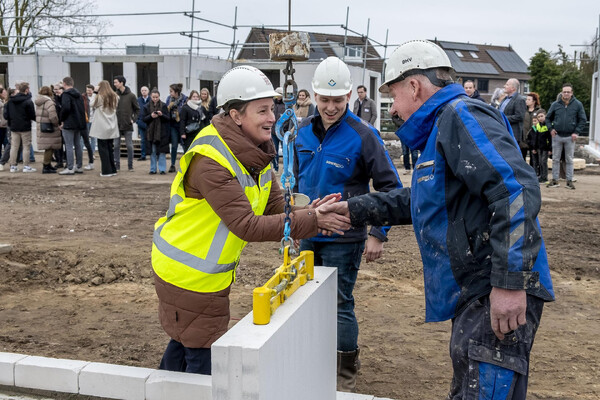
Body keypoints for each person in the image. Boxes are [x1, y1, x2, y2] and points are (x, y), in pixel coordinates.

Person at [324, 40, 555, 399]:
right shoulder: (440, 130)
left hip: (493, 282)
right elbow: (427, 200)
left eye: (394, 95)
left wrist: (510, 282)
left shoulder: (461, 117)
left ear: (414, 85)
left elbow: (515, 189)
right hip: (477, 287)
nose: (395, 109)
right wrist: (355, 210)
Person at [151, 65, 350, 375]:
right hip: (187, 274)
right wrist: (312, 220)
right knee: (203, 359)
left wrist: (309, 213)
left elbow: (273, 203)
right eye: (262, 110)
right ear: (236, 115)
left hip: (201, 273)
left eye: (272, 108)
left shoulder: (251, 151)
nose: (272, 117)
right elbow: (246, 225)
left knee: (184, 343)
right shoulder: (211, 160)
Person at [294, 56, 402, 392]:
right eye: (324, 100)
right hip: (309, 232)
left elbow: (391, 188)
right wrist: (295, 226)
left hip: (345, 237)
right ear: (313, 96)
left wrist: (378, 233)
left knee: (340, 302)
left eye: (337, 101)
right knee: (303, 299)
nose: (329, 107)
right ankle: (312, 360)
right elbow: (296, 183)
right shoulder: (301, 133)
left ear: (348, 98)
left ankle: (343, 373)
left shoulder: (364, 135)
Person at [545, 83, 587, 189]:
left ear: (572, 93)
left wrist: (576, 132)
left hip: (570, 137)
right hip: (557, 136)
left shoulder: (577, 105)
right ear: (562, 92)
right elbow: (548, 118)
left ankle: (569, 181)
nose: (566, 94)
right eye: (564, 92)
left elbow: (582, 119)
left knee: (569, 159)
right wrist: (550, 129)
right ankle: (555, 180)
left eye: (568, 92)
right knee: (555, 159)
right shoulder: (555, 104)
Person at [89, 81, 120, 177]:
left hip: (101, 127)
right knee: (110, 148)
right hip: (111, 126)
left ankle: (106, 171)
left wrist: (95, 92)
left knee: (103, 149)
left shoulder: (100, 97)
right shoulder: (115, 97)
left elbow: (91, 104)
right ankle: (113, 169)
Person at [4, 82, 36, 173]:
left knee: (14, 146)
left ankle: (13, 166)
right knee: (26, 146)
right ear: (26, 90)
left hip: (14, 126)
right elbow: (32, 115)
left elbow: (7, 115)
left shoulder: (10, 101)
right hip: (25, 127)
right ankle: (26, 165)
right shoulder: (28, 101)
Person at [59, 77, 87, 175]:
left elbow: (65, 108)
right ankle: (79, 166)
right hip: (78, 122)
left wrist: (61, 119)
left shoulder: (65, 94)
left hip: (68, 123)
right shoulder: (78, 94)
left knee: (69, 145)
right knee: (78, 145)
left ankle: (70, 167)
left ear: (64, 83)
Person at [113, 75, 140, 172]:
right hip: (116, 124)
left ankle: (130, 165)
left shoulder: (131, 96)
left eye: (116, 82)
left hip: (127, 124)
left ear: (121, 83)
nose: (114, 84)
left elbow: (137, 109)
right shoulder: (115, 95)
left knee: (129, 145)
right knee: (116, 145)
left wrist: (133, 119)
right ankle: (117, 165)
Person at [34, 86, 61, 174]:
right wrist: (57, 124)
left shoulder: (39, 102)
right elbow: (53, 116)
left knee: (48, 147)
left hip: (42, 127)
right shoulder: (49, 102)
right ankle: (46, 166)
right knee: (50, 147)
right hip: (50, 128)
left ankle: (48, 165)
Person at [143, 89, 170, 175]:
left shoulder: (164, 105)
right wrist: (151, 116)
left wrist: (161, 115)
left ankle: (162, 169)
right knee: (153, 151)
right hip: (151, 133)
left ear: (159, 97)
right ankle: (153, 169)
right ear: (151, 97)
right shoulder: (146, 106)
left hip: (162, 132)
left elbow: (168, 118)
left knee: (162, 151)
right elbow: (144, 119)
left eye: (157, 97)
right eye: (153, 97)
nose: (155, 99)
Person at [165, 83, 187, 173]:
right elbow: (165, 110)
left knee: (184, 145)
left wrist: (178, 111)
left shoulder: (185, 99)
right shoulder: (169, 99)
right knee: (174, 145)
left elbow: (185, 110)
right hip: (173, 125)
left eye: (171, 91)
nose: (170, 93)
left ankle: (186, 164)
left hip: (182, 125)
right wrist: (168, 108)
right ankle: (173, 164)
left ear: (176, 92)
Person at [499, 78, 526, 147]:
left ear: (513, 88)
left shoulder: (520, 99)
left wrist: (503, 118)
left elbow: (519, 116)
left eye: (507, 85)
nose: (504, 86)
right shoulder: (505, 99)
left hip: (513, 134)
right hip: (502, 132)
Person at [529, 109, 552, 183]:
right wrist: (534, 147)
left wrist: (550, 149)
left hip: (546, 148)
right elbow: (536, 138)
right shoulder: (538, 126)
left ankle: (545, 177)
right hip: (539, 147)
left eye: (542, 116)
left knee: (543, 162)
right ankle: (541, 176)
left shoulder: (549, 126)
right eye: (539, 117)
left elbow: (550, 139)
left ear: (545, 116)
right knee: (539, 162)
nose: (540, 118)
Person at [522, 92, 541, 165]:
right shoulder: (523, 110)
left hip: (534, 139)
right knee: (522, 158)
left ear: (534, 101)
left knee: (534, 160)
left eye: (529, 99)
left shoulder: (539, 111)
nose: (526, 101)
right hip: (523, 138)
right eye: (526, 99)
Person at [270, 87, 285, 172]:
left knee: (285, 150)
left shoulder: (286, 104)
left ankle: (285, 167)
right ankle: (276, 167)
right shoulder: (272, 104)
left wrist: (285, 127)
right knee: (274, 150)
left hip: (283, 131)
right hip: (273, 131)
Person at [136, 86, 150, 161]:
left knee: (151, 139)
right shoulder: (138, 100)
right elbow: (135, 111)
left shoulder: (151, 99)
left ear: (148, 91)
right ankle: (143, 155)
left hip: (150, 123)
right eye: (142, 90)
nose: (144, 91)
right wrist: (137, 120)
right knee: (143, 140)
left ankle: (152, 154)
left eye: (145, 90)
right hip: (141, 123)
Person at [0, 88, 7, 171]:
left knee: (6, 142)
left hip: (4, 125)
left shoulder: (3, 101)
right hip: (1, 125)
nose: (5, 94)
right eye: (4, 93)